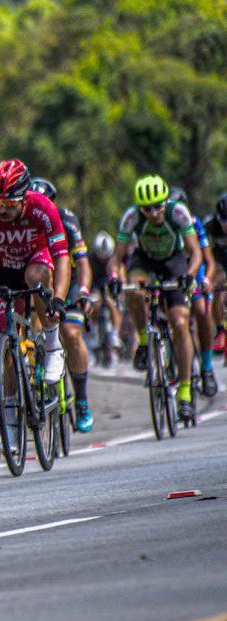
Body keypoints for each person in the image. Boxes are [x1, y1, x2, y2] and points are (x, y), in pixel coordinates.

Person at [0, 160, 70, 442]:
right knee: (1, 344)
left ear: (24, 197)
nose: (2, 209)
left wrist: (59, 299)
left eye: (9, 203)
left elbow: (62, 258)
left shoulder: (43, 208)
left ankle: (53, 345)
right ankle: (9, 415)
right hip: (1, 271)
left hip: (35, 263)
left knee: (35, 276)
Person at [106, 174, 202, 421]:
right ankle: (143, 340)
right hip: (145, 261)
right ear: (140, 208)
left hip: (174, 262)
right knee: (134, 290)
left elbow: (195, 252)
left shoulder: (178, 212)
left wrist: (190, 275)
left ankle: (184, 391)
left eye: (159, 206)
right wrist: (115, 278)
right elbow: (116, 258)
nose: (154, 213)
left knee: (180, 322)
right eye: (147, 209)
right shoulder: (131, 218)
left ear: (166, 202)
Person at [27, 178, 95, 431]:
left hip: (70, 283)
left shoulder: (67, 220)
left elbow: (83, 261)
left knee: (70, 332)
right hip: (43, 284)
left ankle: (82, 400)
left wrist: (85, 291)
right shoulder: (24, 224)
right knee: (32, 328)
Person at [171, 188, 218, 396]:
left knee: (201, 310)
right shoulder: (163, 225)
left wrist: (207, 279)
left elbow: (209, 260)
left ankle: (206, 368)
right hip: (174, 269)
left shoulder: (194, 223)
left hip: (194, 269)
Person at [89, 230, 124, 358]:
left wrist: (120, 292)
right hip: (95, 282)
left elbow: (120, 273)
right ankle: (94, 333)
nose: (103, 260)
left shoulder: (114, 258)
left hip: (110, 282)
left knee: (112, 303)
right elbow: (88, 277)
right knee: (94, 304)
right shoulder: (91, 258)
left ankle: (115, 333)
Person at [204, 193, 227, 352]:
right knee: (217, 287)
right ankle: (219, 329)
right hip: (219, 262)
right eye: (223, 221)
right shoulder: (210, 225)